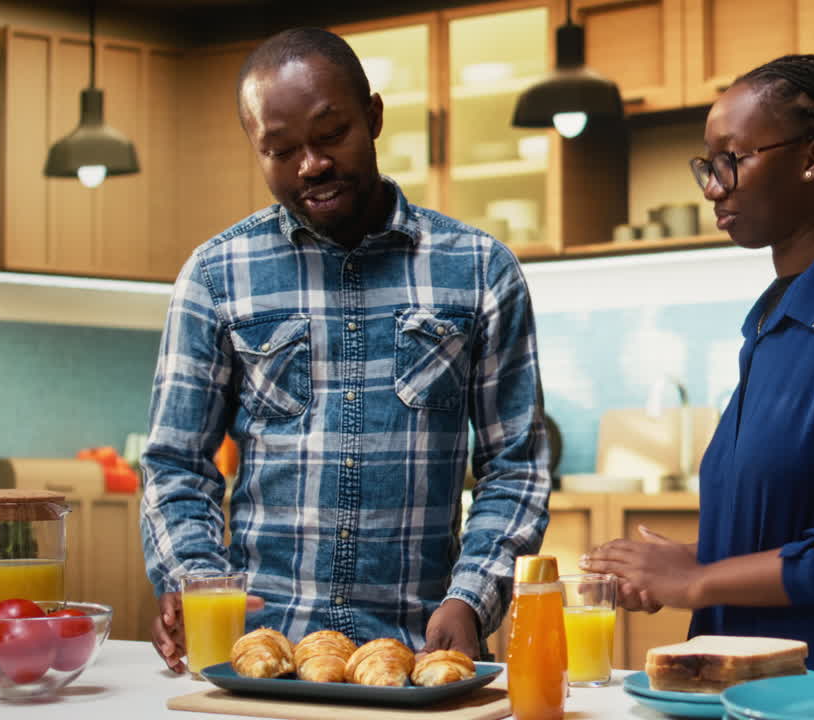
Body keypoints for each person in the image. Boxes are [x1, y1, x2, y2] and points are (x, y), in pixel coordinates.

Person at [139, 27, 550, 673]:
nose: (311, 165)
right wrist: (193, 578)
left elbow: (515, 466)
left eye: (331, 136)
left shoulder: (480, 269)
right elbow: (175, 463)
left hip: (425, 657)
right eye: (280, 149)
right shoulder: (216, 274)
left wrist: (473, 598)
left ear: (375, 116)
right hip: (258, 657)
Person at [581, 54, 814, 673]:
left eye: (733, 159)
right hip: (738, 683)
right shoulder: (769, 322)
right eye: (707, 164)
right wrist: (680, 567)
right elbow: (790, 526)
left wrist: (704, 579)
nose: (712, 186)